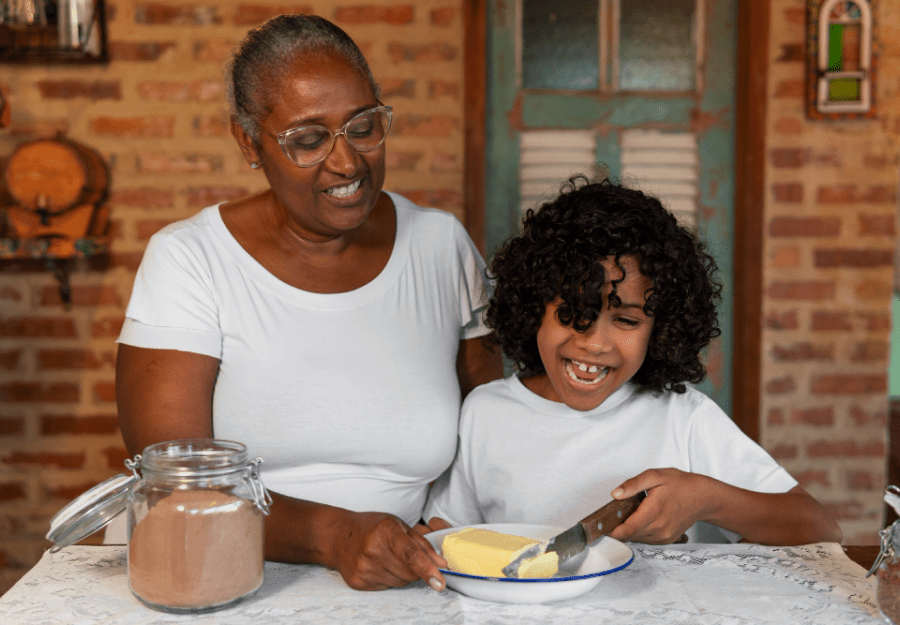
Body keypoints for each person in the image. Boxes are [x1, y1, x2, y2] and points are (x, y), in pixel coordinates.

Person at [114, 14, 503, 592]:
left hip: (405, 575)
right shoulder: (191, 261)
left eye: (363, 126)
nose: (347, 163)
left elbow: (491, 432)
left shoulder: (441, 248)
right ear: (249, 142)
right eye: (308, 139)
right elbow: (177, 485)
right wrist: (338, 536)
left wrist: (441, 530)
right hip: (213, 575)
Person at [424, 176, 842, 546]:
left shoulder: (682, 417)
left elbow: (820, 527)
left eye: (625, 319)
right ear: (534, 305)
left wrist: (706, 499)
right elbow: (449, 533)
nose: (594, 343)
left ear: (660, 329)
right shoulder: (486, 413)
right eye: (574, 312)